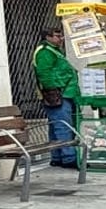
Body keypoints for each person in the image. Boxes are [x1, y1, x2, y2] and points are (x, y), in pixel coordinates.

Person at [31, 25, 79, 167]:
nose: (61, 38)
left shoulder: (54, 51)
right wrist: (53, 91)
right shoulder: (44, 52)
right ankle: (69, 157)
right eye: (57, 36)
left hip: (64, 92)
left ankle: (57, 156)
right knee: (63, 126)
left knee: (56, 125)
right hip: (59, 93)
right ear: (48, 37)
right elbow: (44, 73)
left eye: (61, 35)